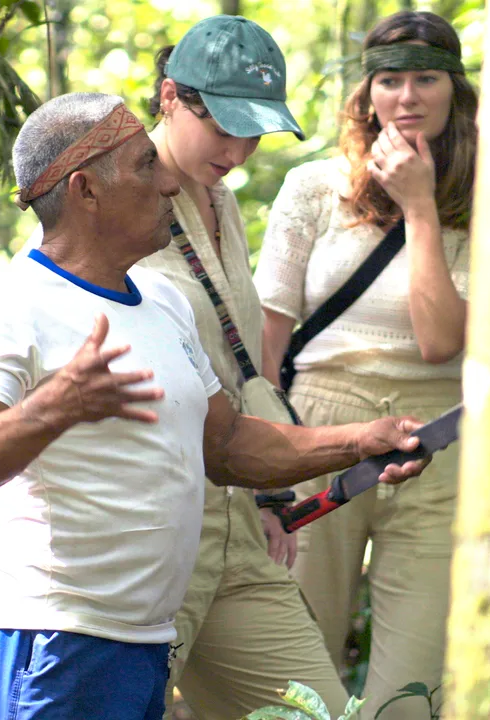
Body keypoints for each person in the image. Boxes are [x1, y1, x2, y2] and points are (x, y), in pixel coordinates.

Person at [0, 91, 429, 720]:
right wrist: (53, 407)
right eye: (145, 165)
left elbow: (226, 446)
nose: (169, 182)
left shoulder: (162, 303)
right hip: (52, 634)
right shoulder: (9, 306)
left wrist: (360, 442)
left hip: (145, 642)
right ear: (85, 191)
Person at [255, 11, 476, 720]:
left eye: (425, 79)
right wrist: (260, 471)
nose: (407, 97)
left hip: (438, 442)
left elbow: (443, 341)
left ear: (455, 91)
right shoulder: (315, 189)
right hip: (320, 429)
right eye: (390, 81)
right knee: (293, 667)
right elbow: (267, 344)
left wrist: (419, 206)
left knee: (416, 684)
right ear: (367, 93)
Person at [131, 15, 350, 719]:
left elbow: (234, 358)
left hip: (237, 526)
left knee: (315, 708)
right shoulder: (115, 197)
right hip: (153, 533)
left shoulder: (219, 196)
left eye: (253, 131)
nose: (237, 150)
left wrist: (269, 494)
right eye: (222, 125)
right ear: (170, 96)